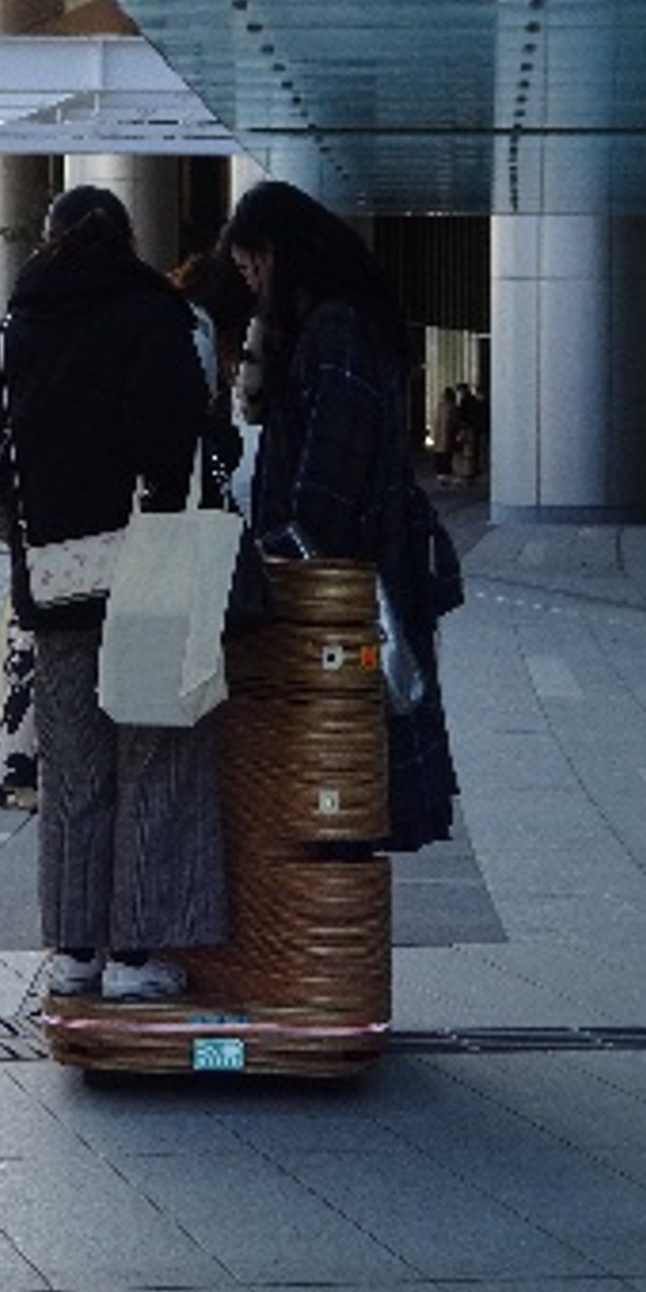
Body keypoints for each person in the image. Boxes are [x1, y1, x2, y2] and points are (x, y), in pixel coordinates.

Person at [0, 184, 226, 1002]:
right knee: (155, 760)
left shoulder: (16, 331)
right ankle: (136, 956)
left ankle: (76, 950)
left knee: (76, 769)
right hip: (148, 574)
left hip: (54, 582)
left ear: (49, 242)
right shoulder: (154, 318)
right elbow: (187, 441)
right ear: (124, 242)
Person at [220, 179, 458, 850]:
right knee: (348, 755)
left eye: (251, 267)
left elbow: (328, 477)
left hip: (342, 590)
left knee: (342, 751)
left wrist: (282, 561)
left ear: (280, 254)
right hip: (354, 578)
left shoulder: (337, 328)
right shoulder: (341, 322)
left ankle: (331, 880)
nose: (251, 285)